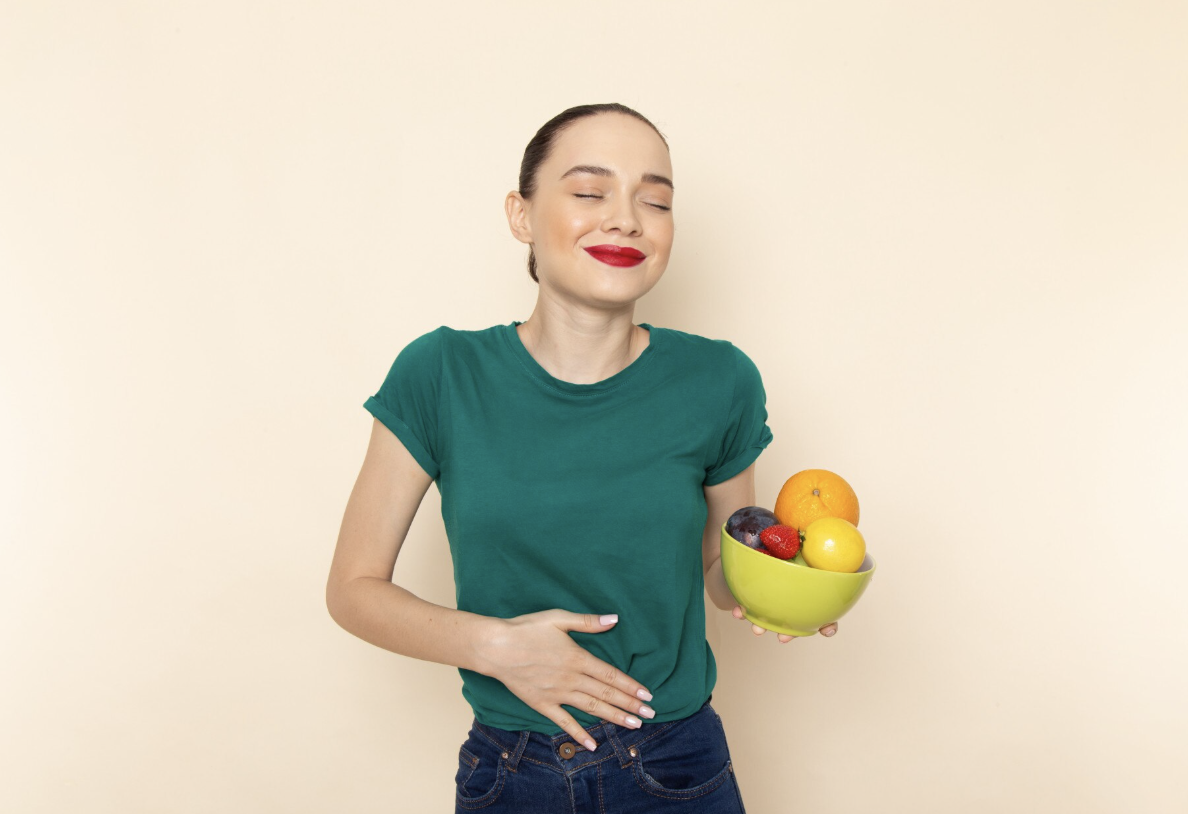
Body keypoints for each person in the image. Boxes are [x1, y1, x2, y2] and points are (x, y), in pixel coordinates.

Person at [325, 103, 840, 814]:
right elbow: (352, 589)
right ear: (521, 214)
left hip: (677, 765)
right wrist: (495, 648)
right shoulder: (441, 373)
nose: (627, 219)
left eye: (654, 200)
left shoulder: (719, 381)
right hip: (513, 771)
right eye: (590, 192)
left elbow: (721, 571)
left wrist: (786, 589)